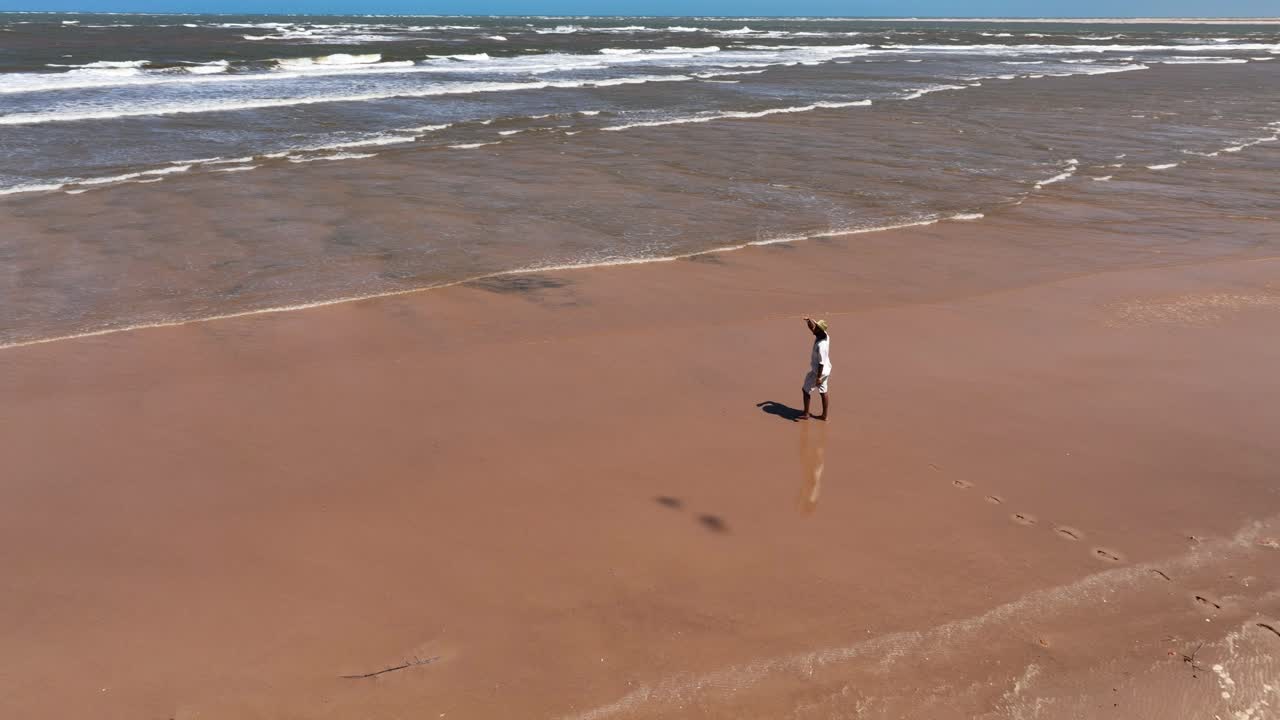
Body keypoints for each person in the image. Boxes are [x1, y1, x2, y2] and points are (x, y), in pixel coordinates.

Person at [801, 317, 831, 420]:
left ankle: (806, 414)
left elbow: (821, 363)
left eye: (817, 327)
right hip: (826, 370)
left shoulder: (821, 346)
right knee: (823, 391)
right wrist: (809, 321)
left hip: (819, 372)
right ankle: (824, 416)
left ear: (820, 330)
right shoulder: (825, 336)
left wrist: (818, 378)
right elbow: (812, 328)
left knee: (805, 390)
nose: (814, 328)